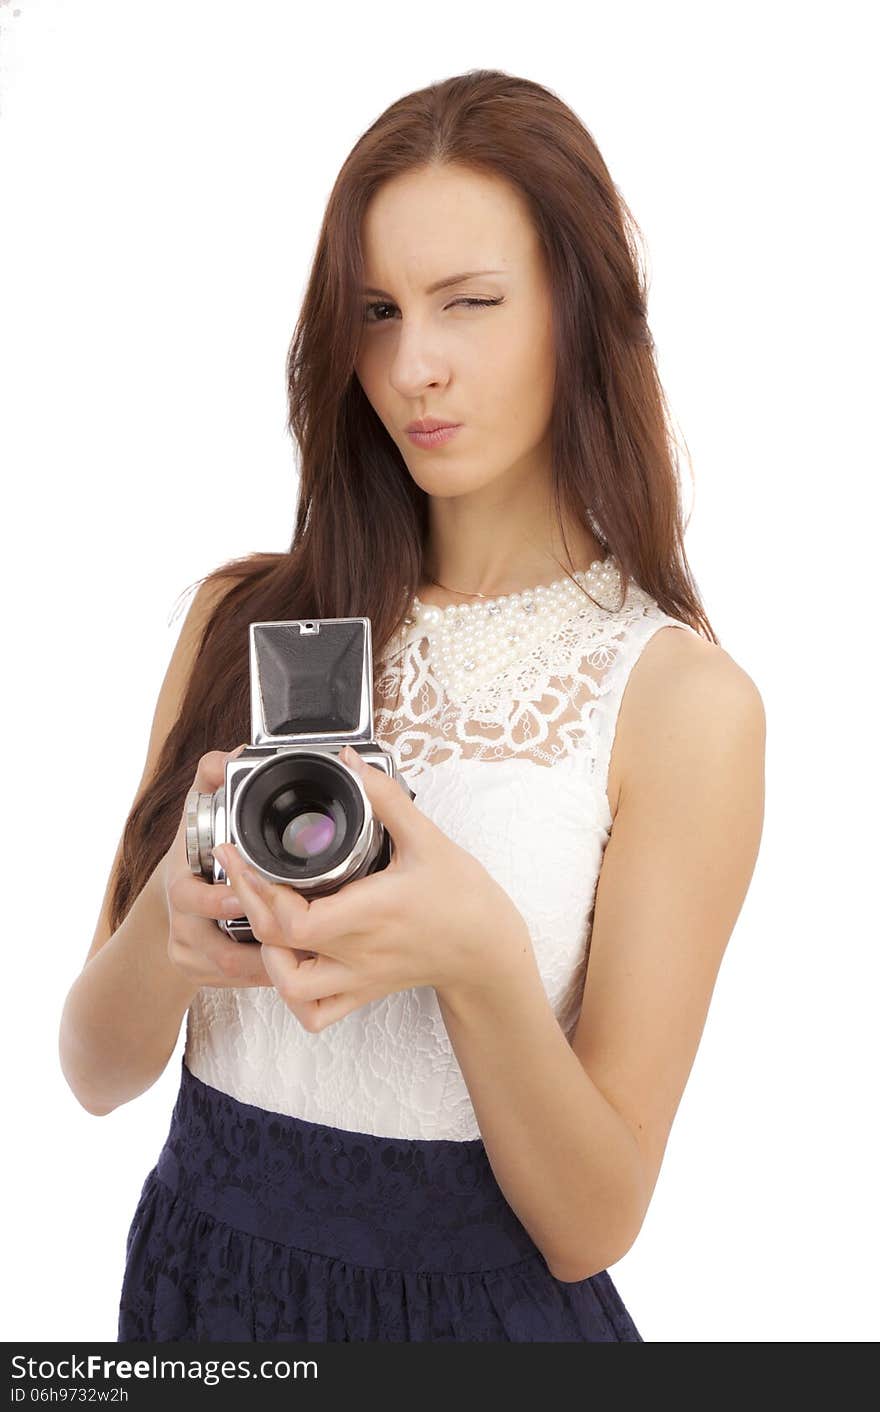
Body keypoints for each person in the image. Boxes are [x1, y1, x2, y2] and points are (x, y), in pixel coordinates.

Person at [59, 68, 766, 1343]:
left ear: (580, 311)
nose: (411, 366)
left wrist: (477, 956)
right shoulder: (243, 619)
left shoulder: (678, 702)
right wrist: (171, 913)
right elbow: (96, 1068)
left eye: (469, 304)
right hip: (194, 1296)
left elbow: (591, 1221)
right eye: (375, 310)